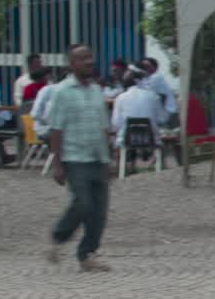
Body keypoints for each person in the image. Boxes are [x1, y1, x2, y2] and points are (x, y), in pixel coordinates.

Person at [46, 45, 114, 272]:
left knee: (99, 211)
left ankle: (87, 255)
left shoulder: (96, 90)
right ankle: (58, 237)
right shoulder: (61, 91)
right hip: (75, 158)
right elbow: (56, 129)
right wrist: (57, 164)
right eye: (83, 58)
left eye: (90, 57)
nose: (89, 62)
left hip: (98, 158)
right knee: (83, 203)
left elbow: (104, 126)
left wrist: (108, 157)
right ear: (72, 64)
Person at [110, 69, 163, 149]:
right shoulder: (154, 96)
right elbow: (161, 119)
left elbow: (116, 123)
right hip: (151, 141)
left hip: (125, 142)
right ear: (140, 80)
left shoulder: (120, 98)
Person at [139, 57, 178, 126]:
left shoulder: (156, 77)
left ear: (155, 67)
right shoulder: (146, 79)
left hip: (168, 112)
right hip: (162, 113)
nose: (144, 68)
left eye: (147, 66)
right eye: (143, 66)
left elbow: (147, 93)